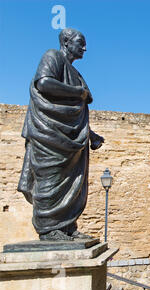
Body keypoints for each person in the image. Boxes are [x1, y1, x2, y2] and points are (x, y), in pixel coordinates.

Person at [17, 28, 104, 241]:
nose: (84, 47)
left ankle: (66, 227)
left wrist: (90, 135)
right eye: (80, 43)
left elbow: (74, 114)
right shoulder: (52, 56)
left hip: (70, 139)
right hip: (48, 136)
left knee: (70, 184)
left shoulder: (75, 73)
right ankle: (48, 229)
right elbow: (43, 83)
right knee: (51, 180)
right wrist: (79, 92)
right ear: (66, 42)